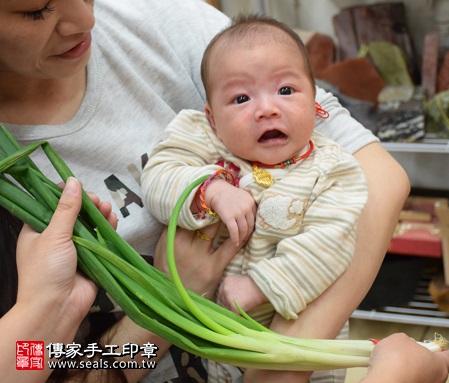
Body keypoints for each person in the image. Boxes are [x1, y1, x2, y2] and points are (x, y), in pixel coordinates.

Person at [0, 0, 416, 382]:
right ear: (211, 118)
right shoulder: (197, 133)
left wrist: (279, 366)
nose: (87, 19)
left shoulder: (152, 19)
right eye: (36, 10)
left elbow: (376, 182)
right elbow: (33, 361)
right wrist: (166, 299)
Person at [141, 15, 369, 383]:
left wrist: (260, 285)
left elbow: (329, 245)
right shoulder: (202, 138)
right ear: (213, 119)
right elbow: (157, 177)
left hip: (292, 346)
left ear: (316, 102)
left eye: (286, 91)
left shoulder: (333, 170)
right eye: (241, 98)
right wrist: (210, 190)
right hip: (199, 350)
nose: (267, 109)